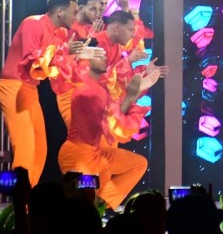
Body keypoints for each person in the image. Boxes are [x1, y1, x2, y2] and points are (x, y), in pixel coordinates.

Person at [0, 0, 87, 186]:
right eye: (74, 12)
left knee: (40, 149)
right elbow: (32, 60)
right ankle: (20, 199)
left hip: (30, 89)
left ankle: (29, 196)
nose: (76, 16)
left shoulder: (60, 34)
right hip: (13, 87)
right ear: (60, 11)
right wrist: (64, 52)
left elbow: (57, 67)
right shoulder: (33, 23)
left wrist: (76, 57)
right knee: (26, 148)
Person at [57, 43, 159, 210]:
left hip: (97, 153)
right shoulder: (83, 90)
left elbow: (118, 109)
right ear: (87, 61)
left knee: (139, 164)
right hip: (79, 155)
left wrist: (136, 90)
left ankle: (101, 204)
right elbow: (112, 121)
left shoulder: (100, 89)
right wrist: (132, 95)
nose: (106, 60)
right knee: (80, 203)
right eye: (99, 56)